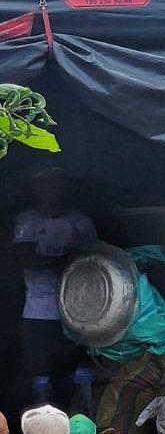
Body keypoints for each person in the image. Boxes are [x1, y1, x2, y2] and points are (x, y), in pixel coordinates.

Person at [13, 167, 97, 408]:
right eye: (45, 184)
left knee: (81, 365)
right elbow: (25, 258)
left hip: (79, 309)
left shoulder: (80, 222)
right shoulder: (27, 221)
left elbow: (95, 259)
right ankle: (42, 424)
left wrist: (73, 260)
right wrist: (65, 260)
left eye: (56, 183)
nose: (51, 189)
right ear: (35, 188)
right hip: (39, 310)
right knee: (40, 370)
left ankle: (84, 418)